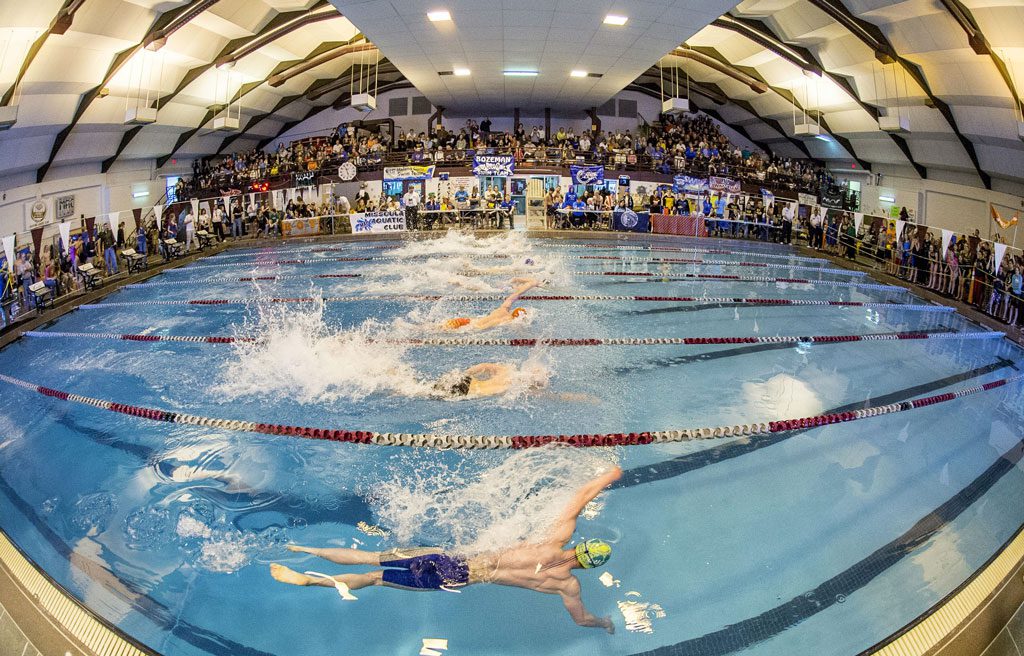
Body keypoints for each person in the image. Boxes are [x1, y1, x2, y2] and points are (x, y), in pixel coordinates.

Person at [270, 466, 622, 633]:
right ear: (588, 568)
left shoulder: (552, 542)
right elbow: (579, 618)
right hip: (458, 580)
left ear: (581, 545)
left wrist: (607, 477)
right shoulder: (567, 586)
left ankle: (303, 547)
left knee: (372, 557)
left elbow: (577, 500)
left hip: (448, 558)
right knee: (374, 579)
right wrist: (602, 622)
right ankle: (313, 582)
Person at [441, 277, 542, 331]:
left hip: (465, 321)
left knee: (436, 327)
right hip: (468, 327)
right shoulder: (507, 320)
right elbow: (489, 325)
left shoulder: (503, 309)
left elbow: (517, 293)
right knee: (440, 330)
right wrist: (476, 331)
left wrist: (532, 284)